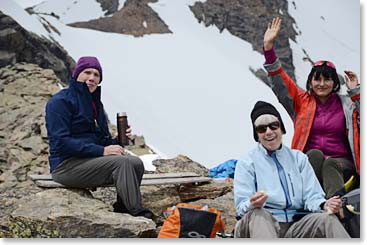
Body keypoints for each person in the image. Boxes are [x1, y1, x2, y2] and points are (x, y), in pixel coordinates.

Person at [261, 17, 360, 198]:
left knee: (330, 164)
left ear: (335, 82)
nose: (321, 84)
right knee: (313, 155)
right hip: (309, 161)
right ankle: (308, 200)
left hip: (342, 164)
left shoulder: (347, 104)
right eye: (317, 79)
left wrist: (356, 93)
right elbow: (280, 82)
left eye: (327, 79)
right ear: (310, 81)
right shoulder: (301, 101)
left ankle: (335, 206)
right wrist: (269, 49)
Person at [45, 56, 153, 219]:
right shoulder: (60, 102)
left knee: (136, 163)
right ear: (76, 74)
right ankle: (136, 212)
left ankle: (123, 206)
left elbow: (100, 140)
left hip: (88, 161)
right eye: (87, 72)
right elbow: (61, 141)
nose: (92, 78)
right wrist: (102, 150)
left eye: (96, 75)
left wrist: (117, 141)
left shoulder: (95, 104)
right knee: (122, 163)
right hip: (65, 166)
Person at [233, 101, 350, 238]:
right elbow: (241, 207)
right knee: (259, 214)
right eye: (261, 129)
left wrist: (324, 204)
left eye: (273, 126)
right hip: (261, 223)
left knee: (327, 219)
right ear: (257, 135)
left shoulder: (298, 158)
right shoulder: (247, 162)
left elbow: (312, 196)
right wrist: (252, 203)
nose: (269, 132)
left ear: (281, 128)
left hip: (294, 227)